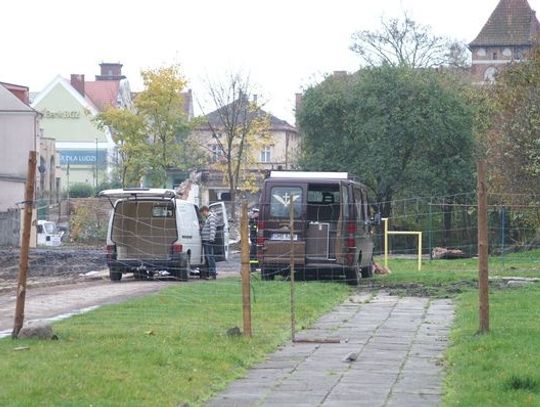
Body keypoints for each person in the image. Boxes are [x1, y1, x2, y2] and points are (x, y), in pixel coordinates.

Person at [200, 206, 217, 279]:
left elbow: (212, 228)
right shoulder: (208, 218)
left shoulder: (211, 217)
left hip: (208, 240)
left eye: (202, 213)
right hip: (206, 240)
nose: (202, 215)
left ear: (205, 211)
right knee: (208, 257)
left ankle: (212, 274)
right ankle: (210, 273)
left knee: (210, 257)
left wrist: (211, 239)